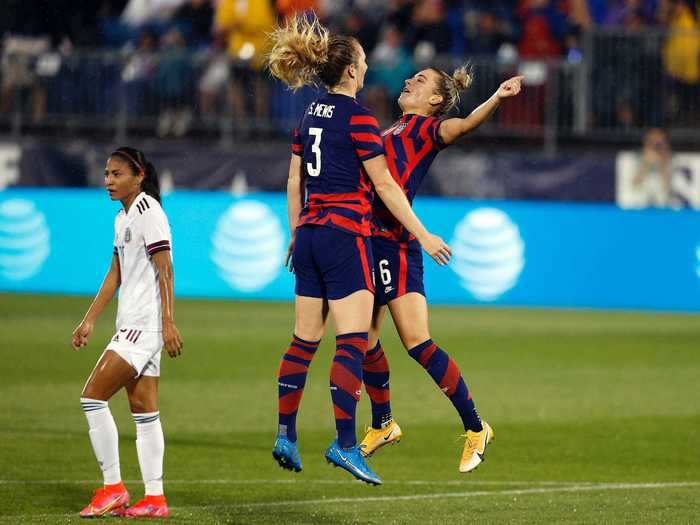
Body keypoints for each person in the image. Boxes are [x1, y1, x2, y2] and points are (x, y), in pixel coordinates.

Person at [267, 15, 450, 485]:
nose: (367, 67)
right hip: (345, 236)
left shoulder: (307, 115)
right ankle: (346, 443)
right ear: (349, 71)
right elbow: (386, 186)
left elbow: (294, 180)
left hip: (306, 233)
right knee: (353, 340)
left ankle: (286, 433)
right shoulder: (361, 119)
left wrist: (295, 230)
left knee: (303, 340)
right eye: (364, 61)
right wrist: (424, 236)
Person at [358, 68, 523, 473]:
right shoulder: (391, 129)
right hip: (368, 238)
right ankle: (383, 424)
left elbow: (464, 125)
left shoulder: (427, 129)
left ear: (434, 100)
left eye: (419, 80)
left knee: (416, 342)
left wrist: (497, 97)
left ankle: (476, 427)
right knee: (361, 339)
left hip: (395, 243)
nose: (409, 82)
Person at [71, 147, 183, 518]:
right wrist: (89, 319)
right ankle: (154, 498)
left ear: (138, 176)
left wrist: (168, 322)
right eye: (106, 174)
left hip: (143, 326)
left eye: (117, 174)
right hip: (134, 324)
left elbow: (165, 269)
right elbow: (115, 274)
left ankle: (113, 488)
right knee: (144, 411)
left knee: (92, 397)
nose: (108, 181)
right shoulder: (123, 218)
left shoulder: (149, 213)